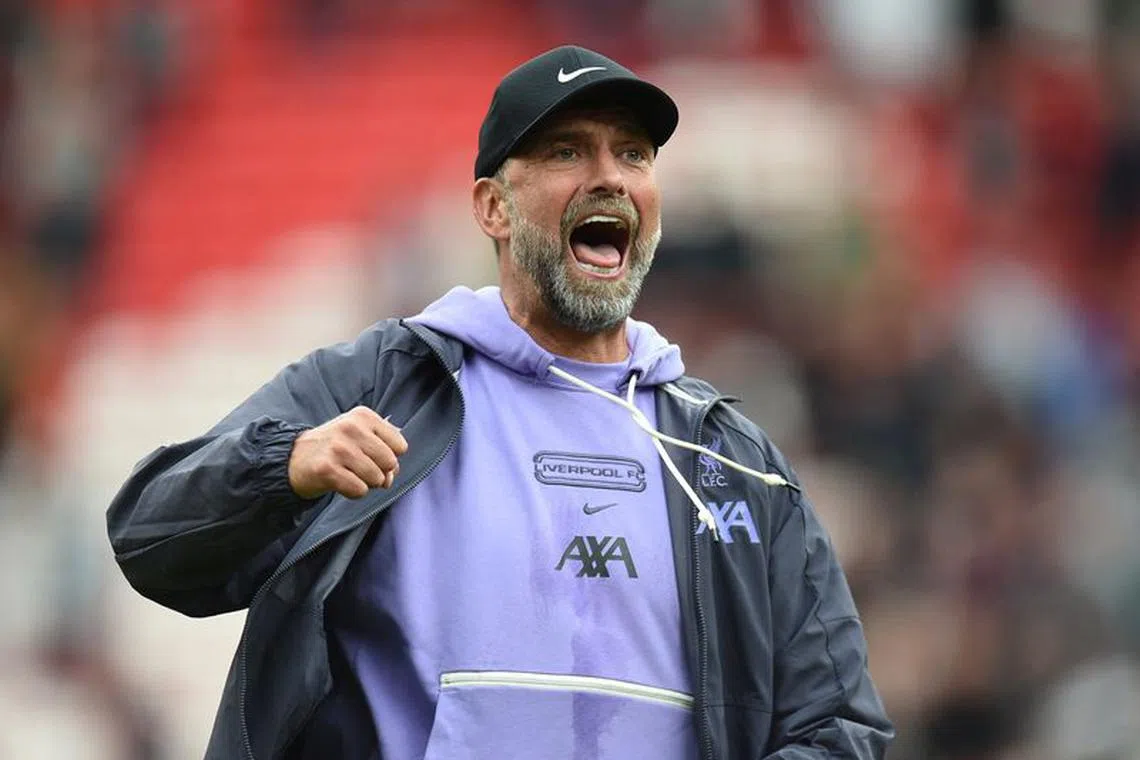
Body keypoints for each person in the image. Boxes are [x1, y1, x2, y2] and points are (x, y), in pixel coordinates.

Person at [106, 45, 893, 760]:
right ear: (492, 208)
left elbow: (838, 725)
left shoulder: (727, 458)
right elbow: (149, 533)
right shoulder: (386, 385)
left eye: (632, 153)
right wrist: (285, 464)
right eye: (566, 151)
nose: (609, 177)